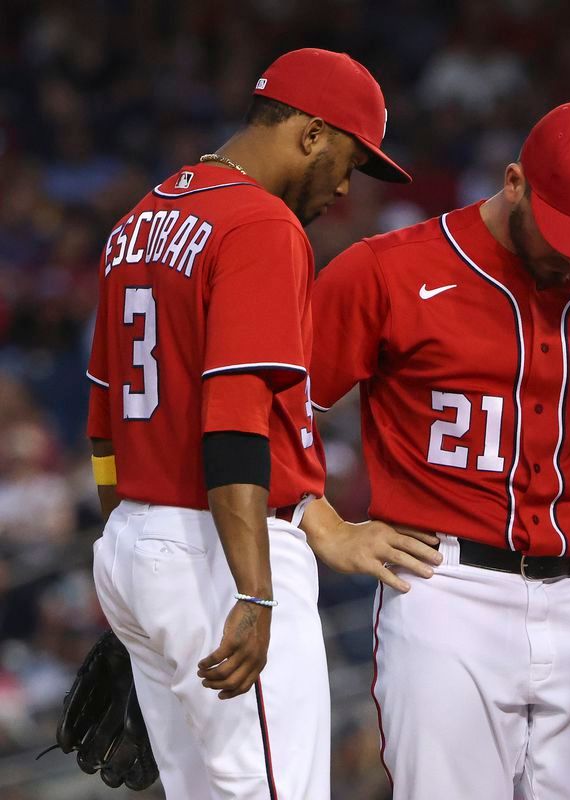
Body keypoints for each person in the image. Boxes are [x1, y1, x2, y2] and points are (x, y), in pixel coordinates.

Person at [308, 100, 570, 798]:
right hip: (447, 587)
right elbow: (272, 405)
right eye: (563, 229)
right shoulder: (386, 271)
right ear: (513, 182)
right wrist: (324, 525)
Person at [86, 48, 430, 799]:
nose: (345, 185)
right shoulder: (260, 226)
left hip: (140, 544)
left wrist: (129, 560)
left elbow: (105, 433)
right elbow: (234, 423)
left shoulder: (138, 223)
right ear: (309, 133)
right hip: (222, 550)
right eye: (347, 158)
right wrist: (255, 592)